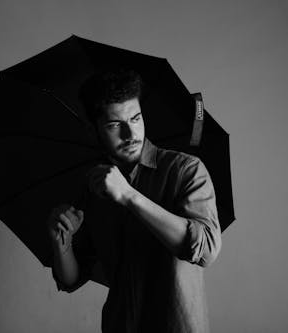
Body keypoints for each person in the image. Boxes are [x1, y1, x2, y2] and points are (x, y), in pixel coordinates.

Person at [46, 68, 222, 333]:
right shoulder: (93, 186)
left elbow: (207, 249)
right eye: (115, 125)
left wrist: (128, 195)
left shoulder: (185, 170)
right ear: (94, 129)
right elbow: (71, 279)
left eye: (136, 118)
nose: (130, 134)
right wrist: (62, 244)